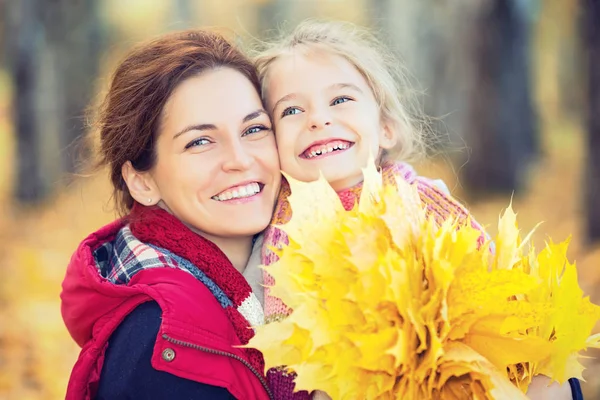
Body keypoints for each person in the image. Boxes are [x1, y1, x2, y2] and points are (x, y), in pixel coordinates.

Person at [255, 20, 580, 400]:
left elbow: (498, 294)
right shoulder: (278, 234)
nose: (318, 119)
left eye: (341, 100)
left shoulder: (425, 203)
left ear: (387, 129)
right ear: (271, 144)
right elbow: (283, 354)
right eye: (291, 110)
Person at [60, 29, 282, 400]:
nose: (241, 160)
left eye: (254, 128)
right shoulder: (161, 340)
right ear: (142, 181)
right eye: (200, 141)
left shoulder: (298, 277)